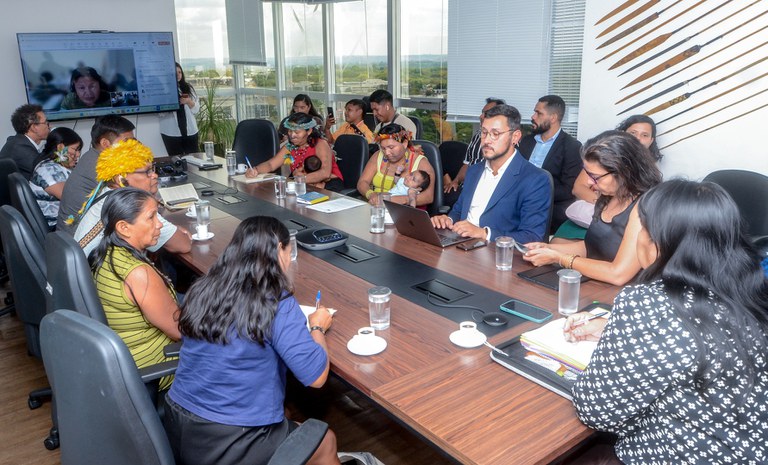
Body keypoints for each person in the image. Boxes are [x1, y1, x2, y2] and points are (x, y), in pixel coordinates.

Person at [566, 180, 768, 464]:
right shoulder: (750, 291)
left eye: (641, 228)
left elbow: (595, 409)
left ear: (657, 242)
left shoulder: (647, 304)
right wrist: (620, 331)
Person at [163, 216, 340, 465]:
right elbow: (317, 377)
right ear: (279, 249)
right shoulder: (276, 300)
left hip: (179, 424)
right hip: (230, 441)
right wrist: (318, 326)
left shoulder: (203, 289)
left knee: (285, 412)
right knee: (326, 441)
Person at [522, 130, 662, 285]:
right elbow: (594, 246)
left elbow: (618, 274)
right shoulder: (609, 197)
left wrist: (560, 258)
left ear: (623, 172)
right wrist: (549, 249)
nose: (589, 182)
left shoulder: (646, 207)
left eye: (595, 177)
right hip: (595, 285)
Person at [91, 187, 181, 391]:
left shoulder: (107, 254)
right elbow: (180, 331)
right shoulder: (138, 273)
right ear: (124, 227)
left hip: (127, 360)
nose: (159, 224)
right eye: (151, 217)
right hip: (156, 365)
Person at [431, 104, 551, 243]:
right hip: (460, 246)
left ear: (515, 137)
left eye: (495, 134)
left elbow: (532, 236)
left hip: (495, 255)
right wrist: (447, 220)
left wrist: (485, 233)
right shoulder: (474, 170)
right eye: (484, 132)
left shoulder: (535, 179)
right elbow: (458, 211)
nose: (487, 140)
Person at [74, 138, 192, 257]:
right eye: (147, 172)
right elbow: (183, 245)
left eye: (153, 169)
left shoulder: (108, 192)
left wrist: (170, 229)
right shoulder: (131, 204)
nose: (155, 175)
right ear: (120, 178)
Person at [561, 114, 663, 240]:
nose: (638, 139)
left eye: (645, 135)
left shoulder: (646, 195)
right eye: (633, 133)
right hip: (591, 215)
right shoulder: (600, 161)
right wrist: (604, 206)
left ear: (651, 140)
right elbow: (578, 188)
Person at [57, 115, 136, 234]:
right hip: (80, 240)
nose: (132, 147)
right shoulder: (100, 166)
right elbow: (131, 203)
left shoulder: (92, 157)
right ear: (105, 143)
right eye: (126, 142)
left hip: (77, 235)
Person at [517, 95, 582, 233]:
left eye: (538, 113)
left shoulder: (572, 147)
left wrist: (535, 194)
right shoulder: (526, 141)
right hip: (518, 200)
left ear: (553, 118)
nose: (533, 116)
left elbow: (568, 189)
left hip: (549, 206)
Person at [246, 113, 345, 192]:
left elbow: (325, 173)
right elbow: (271, 165)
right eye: (289, 131)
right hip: (302, 183)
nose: (292, 135)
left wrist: (298, 181)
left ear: (309, 131)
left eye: (297, 132)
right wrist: (255, 170)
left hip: (328, 184)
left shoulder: (320, 144)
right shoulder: (290, 146)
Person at [443, 98, 505, 207]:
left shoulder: (505, 141)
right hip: (468, 185)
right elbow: (467, 164)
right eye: (482, 113)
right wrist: (455, 181)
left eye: (486, 114)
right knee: (450, 196)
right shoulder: (477, 135)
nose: (481, 117)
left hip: (487, 189)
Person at [357, 124, 436, 207]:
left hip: (403, 211)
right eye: (383, 148)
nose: (386, 153)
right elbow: (362, 182)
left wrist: (395, 200)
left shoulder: (421, 162)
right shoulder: (378, 155)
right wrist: (371, 194)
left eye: (391, 147)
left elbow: (428, 197)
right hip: (376, 208)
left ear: (405, 143)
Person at [29, 127, 83, 228]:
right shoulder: (49, 169)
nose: (78, 155)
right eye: (75, 150)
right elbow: (72, 199)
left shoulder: (60, 166)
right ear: (61, 147)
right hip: (57, 227)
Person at [0, 104, 50, 180]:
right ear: (34, 127)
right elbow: (49, 173)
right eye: (46, 122)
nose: (49, 126)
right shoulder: (20, 148)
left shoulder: (18, 142)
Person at [159, 62, 200, 155]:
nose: (178, 75)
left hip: (190, 131)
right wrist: (172, 104)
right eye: (175, 73)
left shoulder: (188, 87)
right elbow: (160, 113)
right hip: (171, 133)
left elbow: (196, 110)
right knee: (176, 161)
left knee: (194, 158)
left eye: (180, 72)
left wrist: (189, 101)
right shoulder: (163, 89)